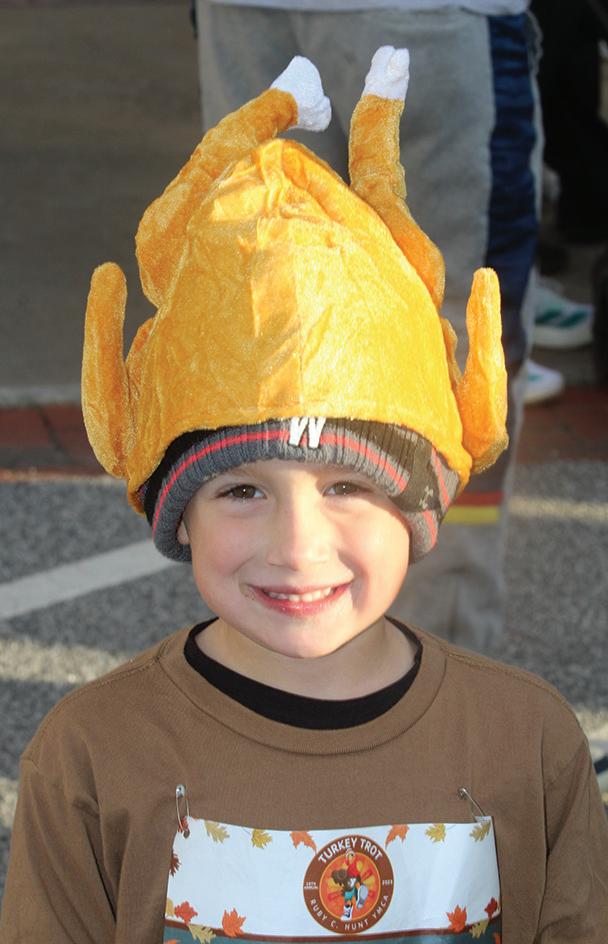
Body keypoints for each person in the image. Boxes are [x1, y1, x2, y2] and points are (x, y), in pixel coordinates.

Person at [1, 50, 606, 943]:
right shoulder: (89, 758)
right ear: (177, 514)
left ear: (421, 507)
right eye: (242, 489)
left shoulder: (528, 743)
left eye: (348, 486)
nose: (297, 545)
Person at [194, 0, 542, 652]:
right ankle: (434, 669)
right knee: (455, 358)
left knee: (265, 334)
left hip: (250, 14)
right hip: (425, 18)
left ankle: (291, 668)